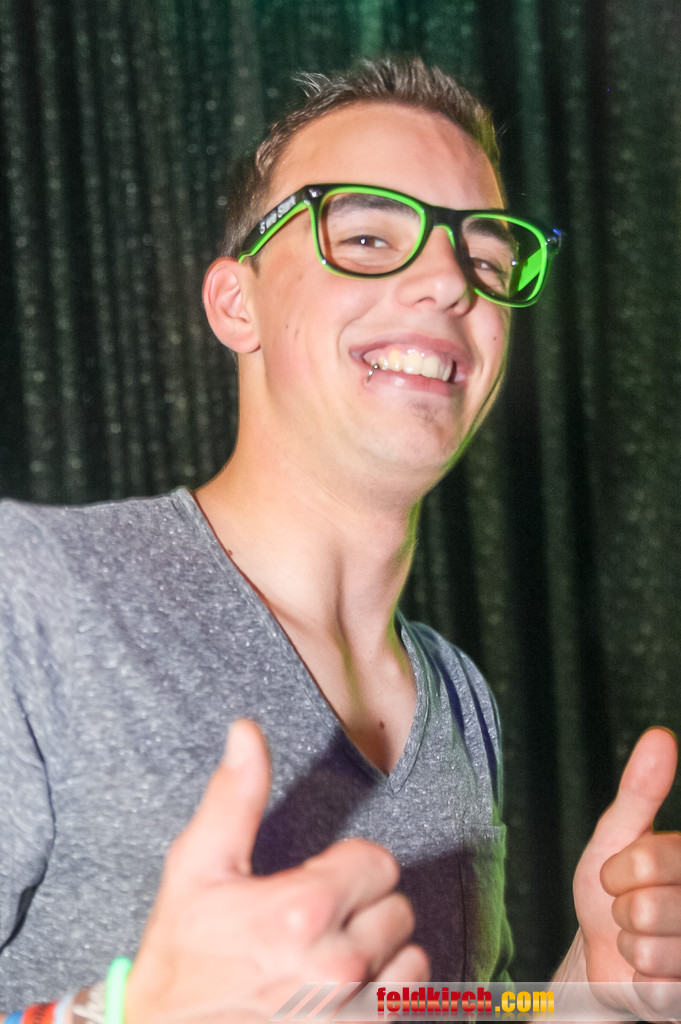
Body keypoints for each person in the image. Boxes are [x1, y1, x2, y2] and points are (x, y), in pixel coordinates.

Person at [1, 57, 680, 1024]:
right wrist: (128, 1010)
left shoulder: (458, 698)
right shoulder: (29, 593)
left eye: (487, 261)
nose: (446, 282)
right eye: (365, 237)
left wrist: (585, 995)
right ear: (236, 304)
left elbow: (438, 1010)